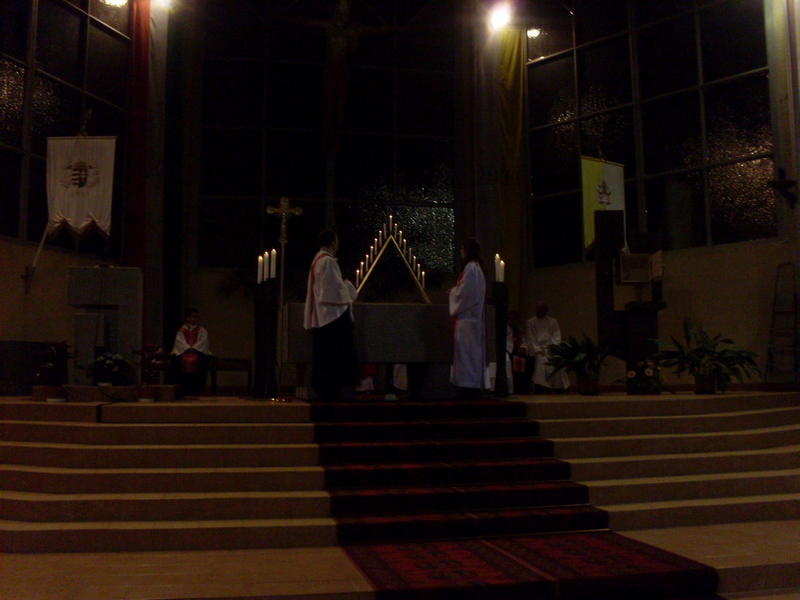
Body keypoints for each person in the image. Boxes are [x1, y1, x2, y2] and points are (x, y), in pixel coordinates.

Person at [304, 229, 359, 401]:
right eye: (337, 241)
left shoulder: (319, 260)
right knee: (334, 357)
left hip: (325, 318)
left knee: (327, 356)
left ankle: (330, 390)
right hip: (332, 318)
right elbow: (332, 292)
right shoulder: (327, 261)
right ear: (333, 242)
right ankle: (332, 391)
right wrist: (348, 286)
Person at [449, 237, 488, 399]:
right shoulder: (475, 268)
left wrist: (453, 292)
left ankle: (468, 387)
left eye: (463, 248)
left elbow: (467, 294)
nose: (461, 252)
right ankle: (467, 386)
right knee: (468, 356)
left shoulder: (472, 268)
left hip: (468, 321)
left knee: (468, 356)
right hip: (469, 321)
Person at [525, 302, 570, 393]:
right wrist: (537, 349)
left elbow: (556, 337)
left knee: (558, 361)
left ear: (546, 310)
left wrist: (554, 350)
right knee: (540, 361)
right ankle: (540, 386)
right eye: (539, 308)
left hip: (550, 349)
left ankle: (558, 387)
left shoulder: (553, 322)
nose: (541, 311)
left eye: (543, 309)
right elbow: (531, 338)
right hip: (538, 349)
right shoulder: (530, 322)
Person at [170, 308, 210, 396]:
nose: (196, 319)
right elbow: (179, 341)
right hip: (185, 351)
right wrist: (187, 348)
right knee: (178, 361)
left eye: (197, 317)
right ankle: (183, 388)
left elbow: (203, 342)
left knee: (201, 361)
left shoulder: (201, 330)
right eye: (194, 316)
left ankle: (197, 388)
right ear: (188, 318)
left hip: (197, 352)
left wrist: (194, 348)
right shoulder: (182, 330)